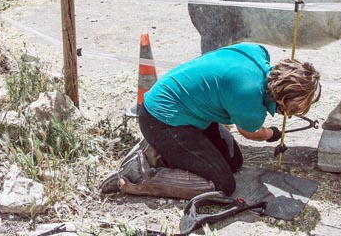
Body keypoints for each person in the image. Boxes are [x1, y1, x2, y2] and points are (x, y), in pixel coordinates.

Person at [100, 42, 321, 198]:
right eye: (293, 108)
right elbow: (252, 132)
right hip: (162, 121)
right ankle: (139, 179)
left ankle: (163, 152)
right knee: (224, 185)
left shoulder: (257, 52)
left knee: (234, 162)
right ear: (283, 98)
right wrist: (272, 133)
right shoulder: (250, 101)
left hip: (187, 114)